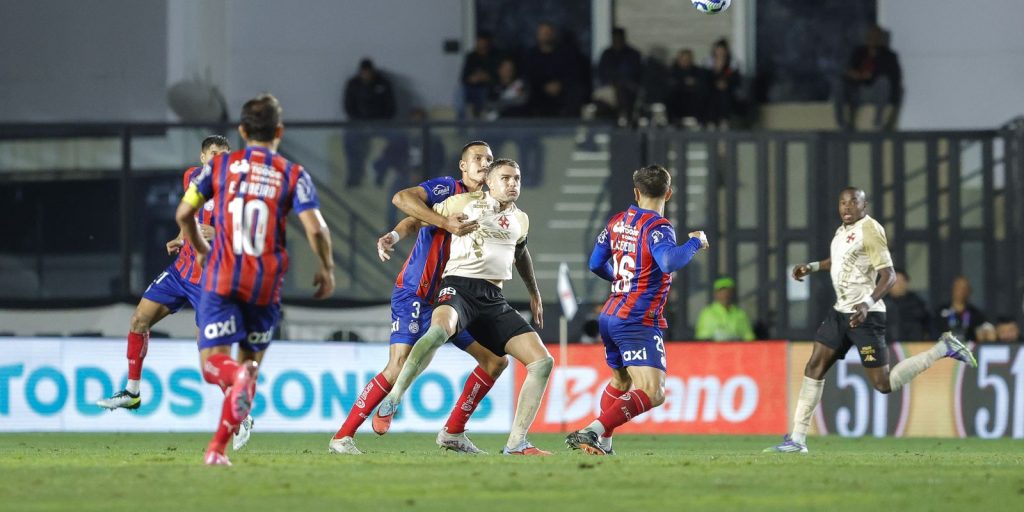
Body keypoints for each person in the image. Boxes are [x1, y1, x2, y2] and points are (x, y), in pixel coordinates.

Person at [176, 93, 335, 465]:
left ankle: (222, 432)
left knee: (216, 365)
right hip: (266, 282)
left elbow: (185, 215)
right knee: (251, 366)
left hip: (222, 274)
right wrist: (326, 267)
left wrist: (200, 249)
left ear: (243, 130)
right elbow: (317, 229)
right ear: (279, 131)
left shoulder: (219, 167)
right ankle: (217, 448)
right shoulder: (292, 173)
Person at [328, 142, 514, 456]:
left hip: (457, 299)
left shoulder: (490, 204)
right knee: (398, 365)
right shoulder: (447, 188)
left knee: (495, 360)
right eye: (478, 158)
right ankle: (342, 437)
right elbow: (405, 203)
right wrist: (399, 235)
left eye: (490, 159)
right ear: (463, 166)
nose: (485, 163)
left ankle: (453, 433)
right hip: (417, 292)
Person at [765, 187, 976, 454]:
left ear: (865, 205)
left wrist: (866, 304)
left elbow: (888, 275)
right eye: (842, 202)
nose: (847, 207)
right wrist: (813, 266)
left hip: (866, 315)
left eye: (854, 201)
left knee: (883, 384)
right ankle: (798, 439)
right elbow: (840, 261)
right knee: (814, 366)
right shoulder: (842, 231)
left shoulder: (870, 229)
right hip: (841, 312)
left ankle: (942, 349)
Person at [371, 159, 553, 456]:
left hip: (493, 298)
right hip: (459, 286)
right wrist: (394, 235)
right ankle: (394, 397)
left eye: (517, 179)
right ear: (490, 182)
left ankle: (516, 443)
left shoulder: (522, 219)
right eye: (505, 178)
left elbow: (521, 252)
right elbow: (415, 217)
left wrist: (534, 292)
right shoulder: (463, 202)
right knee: (440, 330)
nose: (512, 184)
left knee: (542, 362)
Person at [98, 136, 255, 450]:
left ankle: (242, 413)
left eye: (225, 155)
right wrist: (181, 237)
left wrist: (220, 233)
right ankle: (132, 392)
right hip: (181, 272)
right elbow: (191, 215)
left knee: (209, 360)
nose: (220, 159)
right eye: (214, 154)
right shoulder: (191, 178)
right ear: (202, 157)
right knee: (138, 320)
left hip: (211, 283)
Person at [565, 165, 710, 455]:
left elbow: (595, 263)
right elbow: (669, 261)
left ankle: (604, 443)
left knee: (620, 380)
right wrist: (696, 242)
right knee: (653, 392)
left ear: (636, 192)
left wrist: (623, 280)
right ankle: (591, 431)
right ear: (669, 193)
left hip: (610, 315)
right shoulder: (658, 226)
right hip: (637, 319)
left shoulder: (617, 222)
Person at [834, 25, 902, 131]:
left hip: (874, 91)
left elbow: (893, 77)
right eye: (870, 36)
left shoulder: (888, 56)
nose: (872, 39)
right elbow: (849, 69)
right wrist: (854, 74)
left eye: (875, 37)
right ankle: (841, 122)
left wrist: (871, 75)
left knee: (883, 82)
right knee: (838, 83)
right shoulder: (859, 52)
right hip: (856, 90)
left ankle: (877, 122)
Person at [342, 58, 396, 187]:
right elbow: (348, 107)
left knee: (399, 138)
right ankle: (355, 175)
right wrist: (361, 123)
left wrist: (379, 122)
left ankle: (381, 172)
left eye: (368, 72)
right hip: (359, 126)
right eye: (364, 73)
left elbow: (391, 108)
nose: (366, 75)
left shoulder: (383, 83)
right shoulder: (353, 84)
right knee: (349, 139)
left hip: (381, 125)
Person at [522, 22, 579, 117]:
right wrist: (544, 86)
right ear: (538, 35)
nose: (546, 36)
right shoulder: (531, 56)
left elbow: (571, 74)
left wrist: (560, 85)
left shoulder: (564, 55)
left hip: (562, 96)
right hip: (538, 96)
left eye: (548, 33)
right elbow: (528, 77)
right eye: (543, 33)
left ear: (553, 34)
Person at [595, 27, 643, 124]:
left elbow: (634, 73)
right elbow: (601, 73)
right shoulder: (607, 54)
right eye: (614, 38)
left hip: (628, 87)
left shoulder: (633, 54)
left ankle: (624, 117)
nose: (617, 41)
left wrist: (621, 82)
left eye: (619, 38)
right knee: (601, 102)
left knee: (622, 91)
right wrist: (613, 82)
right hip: (608, 87)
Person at [695, 276, 755, 341]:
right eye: (721, 291)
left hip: (736, 349)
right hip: (714, 350)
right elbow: (702, 338)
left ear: (732, 293)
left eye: (728, 291)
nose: (725, 294)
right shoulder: (707, 313)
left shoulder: (740, 313)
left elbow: (749, 337)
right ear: (716, 294)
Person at [460, 32, 502, 119]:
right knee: (459, 93)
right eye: (479, 41)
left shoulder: (495, 56)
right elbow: (463, 78)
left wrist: (486, 77)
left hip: (489, 88)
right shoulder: (471, 57)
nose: (481, 44)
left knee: (484, 92)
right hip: (472, 88)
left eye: (483, 41)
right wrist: (473, 78)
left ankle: (483, 116)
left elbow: (499, 77)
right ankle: (462, 124)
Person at [883, 269, 933, 341]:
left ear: (907, 283)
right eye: (894, 282)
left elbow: (928, 326)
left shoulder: (918, 303)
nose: (898, 285)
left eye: (901, 282)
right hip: (887, 346)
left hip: (913, 346)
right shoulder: (880, 304)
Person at [935, 276, 987, 342]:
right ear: (952, 289)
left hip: (969, 349)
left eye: (964, 288)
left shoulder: (976, 313)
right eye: (958, 287)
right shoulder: (941, 311)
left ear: (969, 291)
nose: (960, 291)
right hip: (944, 348)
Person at [666, 49, 708, 127]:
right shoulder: (672, 71)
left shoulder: (697, 71)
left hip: (693, 100)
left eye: (687, 59)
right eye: (683, 59)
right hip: (678, 100)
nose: (685, 61)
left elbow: (701, 84)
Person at [706, 39, 741, 130]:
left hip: (728, 90)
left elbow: (735, 79)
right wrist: (716, 71)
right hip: (710, 89)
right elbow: (705, 79)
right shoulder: (708, 63)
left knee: (724, 94)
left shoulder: (732, 64)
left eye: (722, 50)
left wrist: (726, 83)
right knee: (712, 96)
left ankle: (724, 120)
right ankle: (711, 121)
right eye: (718, 50)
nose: (720, 52)